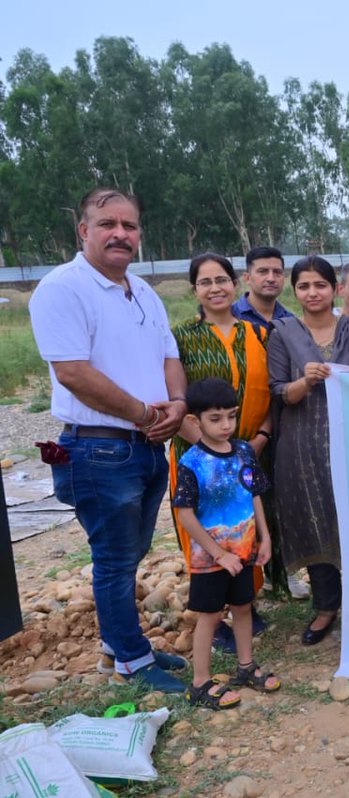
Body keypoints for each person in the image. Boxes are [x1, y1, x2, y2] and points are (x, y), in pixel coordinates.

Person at [29, 187, 189, 692]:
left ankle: (117, 645)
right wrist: (144, 412)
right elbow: (73, 373)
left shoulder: (142, 292)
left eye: (130, 225)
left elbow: (169, 357)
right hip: (99, 448)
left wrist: (178, 404)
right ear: (83, 231)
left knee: (132, 551)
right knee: (115, 559)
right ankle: (133, 661)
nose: (121, 233)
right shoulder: (62, 289)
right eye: (107, 224)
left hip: (146, 444)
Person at [170, 253, 281, 649]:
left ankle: (244, 604)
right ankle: (212, 616)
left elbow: (274, 394)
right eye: (205, 282)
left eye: (222, 280)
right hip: (199, 455)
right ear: (195, 289)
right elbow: (174, 398)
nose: (215, 288)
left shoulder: (260, 335)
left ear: (236, 284)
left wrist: (259, 440)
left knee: (245, 526)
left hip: (249, 448)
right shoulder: (181, 336)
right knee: (207, 531)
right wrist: (210, 446)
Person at [268, 256, 349, 645]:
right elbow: (277, 390)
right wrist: (304, 382)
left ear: (336, 289)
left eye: (320, 285)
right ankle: (327, 606)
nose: (312, 293)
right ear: (294, 291)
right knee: (315, 518)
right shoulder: (282, 332)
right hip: (302, 445)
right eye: (303, 286)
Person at [172, 378, 281, 709]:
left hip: (244, 551)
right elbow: (186, 515)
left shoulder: (244, 451)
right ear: (195, 421)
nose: (226, 425)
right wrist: (218, 554)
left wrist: (264, 536)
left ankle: (246, 667)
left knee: (244, 606)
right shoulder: (191, 462)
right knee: (209, 615)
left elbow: (254, 494)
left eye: (231, 416)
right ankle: (200, 682)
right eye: (215, 418)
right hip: (210, 559)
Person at [233, 246, 294, 329]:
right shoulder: (230, 315)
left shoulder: (290, 321)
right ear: (247, 278)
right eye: (263, 271)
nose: (271, 279)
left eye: (277, 272)